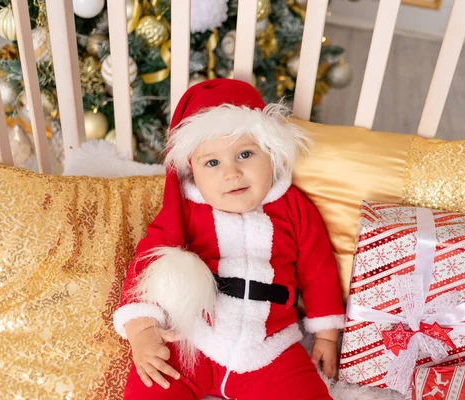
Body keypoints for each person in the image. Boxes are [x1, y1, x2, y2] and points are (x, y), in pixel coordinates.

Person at [112, 78, 345, 399]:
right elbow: (148, 264)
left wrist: (327, 336)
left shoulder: (293, 207)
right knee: (154, 382)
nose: (231, 173)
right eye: (212, 162)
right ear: (191, 169)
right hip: (193, 339)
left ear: (271, 153)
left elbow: (319, 270)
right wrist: (142, 330)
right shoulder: (185, 210)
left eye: (245, 154)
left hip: (271, 347)